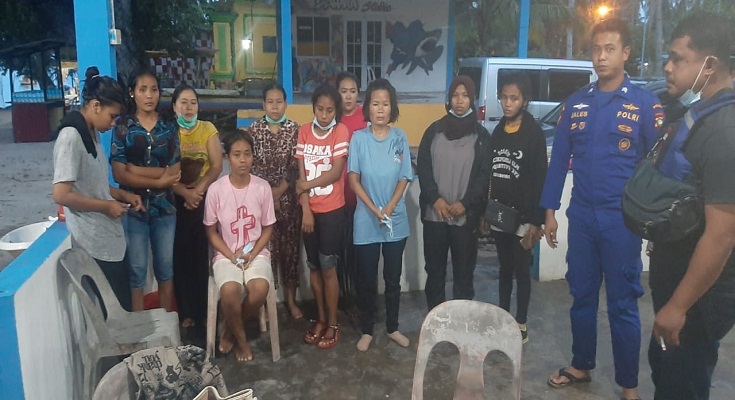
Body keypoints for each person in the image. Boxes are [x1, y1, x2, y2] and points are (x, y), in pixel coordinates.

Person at [541, 18, 662, 400]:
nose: (601, 57)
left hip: (621, 221)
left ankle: (628, 385)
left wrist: (654, 224)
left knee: (623, 303)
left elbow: (658, 168)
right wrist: (549, 211)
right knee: (582, 295)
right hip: (582, 217)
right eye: (596, 49)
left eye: (610, 49)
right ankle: (581, 364)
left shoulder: (644, 104)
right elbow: (559, 161)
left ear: (626, 53)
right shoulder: (577, 103)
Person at [647, 12, 735, 400]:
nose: (667, 67)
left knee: (683, 386)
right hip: (676, 288)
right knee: (667, 377)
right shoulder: (696, 114)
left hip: (696, 305)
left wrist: (678, 307)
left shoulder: (725, 132)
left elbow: (721, 236)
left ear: (709, 65)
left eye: (678, 58)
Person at [52, 67, 143, 311]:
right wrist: (106, 206)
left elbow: (93, 183)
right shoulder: (70, 137)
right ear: (95, 106)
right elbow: (61, 194)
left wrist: (122, 194)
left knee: (122, 306)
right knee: (110, 312)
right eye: (112, 117)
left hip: (108, 238)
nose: (113, 123)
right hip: (92, 242)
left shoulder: (91, 132)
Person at [348, 78, 413, 352]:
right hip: (366, 219)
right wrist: (374, 209)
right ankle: (367, 329)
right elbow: (353, 179)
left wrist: (388, 208)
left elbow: (404, 177)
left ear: (392, 107)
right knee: (366, 280)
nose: (380, 109)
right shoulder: (358, 139)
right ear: (368, 107)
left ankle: (393, 327)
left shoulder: (400, 138)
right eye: (375, 103)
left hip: (394, 220)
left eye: (385, 104)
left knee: (392, 279)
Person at [416, 75, 491, 311]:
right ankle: (436, 320)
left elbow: (483, 176)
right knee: (435, 272)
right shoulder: (434, 131)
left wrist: (465, 203)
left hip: (464, 218)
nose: (460, 100)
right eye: (455, 95)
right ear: (449, 99)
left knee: (463, 274)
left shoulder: (481, 136)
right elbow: (424, 168)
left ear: (472, 99)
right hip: (435, 215)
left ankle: (461, 321)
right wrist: (435, 199)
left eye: (465, 95)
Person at [111, 69, 181, 312]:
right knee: (137, 271)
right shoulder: (123, 126)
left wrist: (136, 170)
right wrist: (159, 178)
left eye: (154, 90)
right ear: (132, 93)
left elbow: (174, 171)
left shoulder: (169, 126)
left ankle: (167, 324)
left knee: (165, 270)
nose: (149, 95)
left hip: (165, 209)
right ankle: (139, 326)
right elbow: (119, 174)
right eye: (143, 90)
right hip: (134, 210)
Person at [203, 130, 275, 363]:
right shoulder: (216, 190)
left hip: (256, 252)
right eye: (237, 155)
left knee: (259, 289)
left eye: (247, 154)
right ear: (227, 158)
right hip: (226, 254)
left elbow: (268, 228)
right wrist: (230, 255)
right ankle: (242, 341)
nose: (243, 160)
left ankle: (229, 330)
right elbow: (211, 232)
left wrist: (253, 253)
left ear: (253, 156)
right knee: (229, 292)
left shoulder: (262, 187)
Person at [486, 73, 547, 344]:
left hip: (524, 218)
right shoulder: (498, 131)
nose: (508, 103)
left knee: (522, 271)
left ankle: (520, 323)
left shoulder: (534, 134)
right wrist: (486, 211)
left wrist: (535, 221)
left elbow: (539, 178)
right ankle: (502, 317)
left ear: (525, 100)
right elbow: (491, 173)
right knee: (504, 269)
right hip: (500, 214)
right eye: (504, 98)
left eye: (514, 98)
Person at [296, 83, 350, 349]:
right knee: (314, 267)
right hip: (310, 212)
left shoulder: (341, 131)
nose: (325, 115)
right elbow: (300, 174)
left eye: (330, 110)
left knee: (329, 267)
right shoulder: (304, 131)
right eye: (320, 109)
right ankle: (319, 319)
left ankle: (333, 323)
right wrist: (306, 209)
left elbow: (336, 172)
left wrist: (305, 185)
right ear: (314, 108)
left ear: (336, 110)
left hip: (332, 211)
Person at [249, 82, 303, 320]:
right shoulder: (253, 131)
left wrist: (279, 192)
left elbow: (296, 165)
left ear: (285, 104)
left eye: (279, 102)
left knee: (291, 254)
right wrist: (268, 196)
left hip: (290, 202)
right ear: (263, 104)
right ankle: (266, 305)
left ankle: (291, 301)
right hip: (261, 204)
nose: (274, 106)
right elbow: (252, 167)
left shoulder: (295, 130)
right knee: (266, 255)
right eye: (270, 102)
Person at [170, 83, 223, 328]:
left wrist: (197, 192)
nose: (189, 108)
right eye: (183, 102)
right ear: (174, 107)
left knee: (201, 255)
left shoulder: (207, 129)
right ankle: (186, 313)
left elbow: (216, 165)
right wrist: (184, 193)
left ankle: (204, 311)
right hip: (175, 200)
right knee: (179, 257)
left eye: (193, 102)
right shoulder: (169, 132)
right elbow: (163, 169)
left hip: (202, 200)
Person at [336, 71, 367, 312]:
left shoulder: (367, 118)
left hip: (362, 199)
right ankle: (343, 299)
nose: (348, 96)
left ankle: (361, 299)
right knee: (340, 254)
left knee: (361, 255)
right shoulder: (331, 117)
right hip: (336, 199)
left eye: (353, 91)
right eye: (343, 91)